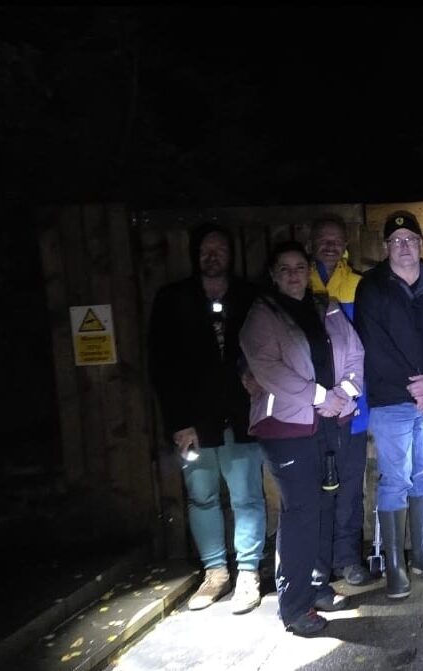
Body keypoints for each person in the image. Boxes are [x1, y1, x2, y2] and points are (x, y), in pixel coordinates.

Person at [240, 241, 364, 636]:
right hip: (287, 428)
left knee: (325, 505)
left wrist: (345, 393)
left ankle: (317, 586)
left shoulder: (325, 307)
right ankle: (294, 607)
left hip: (329, 423)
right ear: (273, 274)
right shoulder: (262, 315)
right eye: (285, 268)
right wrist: (321, 397)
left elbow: (355, 353)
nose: (294, 275)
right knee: (301, 512)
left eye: (299, 267)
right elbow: (269, 369)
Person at [148, 223, 266, 615]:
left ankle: (248, 572)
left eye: (219, 249)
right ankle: (215, 573)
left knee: (247, 496)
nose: (212, 256)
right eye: (206, 250)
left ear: (231, 254)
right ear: (195, 255)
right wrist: (177, 422)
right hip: (193, 423)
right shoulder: (173, 299)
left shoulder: (250, 296)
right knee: (201, 497)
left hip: (242, 417)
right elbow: (161, 365)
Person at [354, 212, 423, 598]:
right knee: (395, 480)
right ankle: (395, 564)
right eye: (396, 241)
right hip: (391, 399)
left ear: (421, 242)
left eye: (410, 239)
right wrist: (417, 388)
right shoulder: (371, 287)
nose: (404, 246)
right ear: (386, 247)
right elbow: (373, 345)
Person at [306, 216, 373, 586]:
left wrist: (349, 394)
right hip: (308, 409)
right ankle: (316, 562)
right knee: (312, 487)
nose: (330, 246)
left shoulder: (360, 286)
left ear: (346, 244)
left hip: (353, 404)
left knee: (349, 485)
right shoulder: (298, 282)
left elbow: (365, 348)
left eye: (336, 240)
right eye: (323, 239)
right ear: (311, 243)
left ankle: (347, 558)